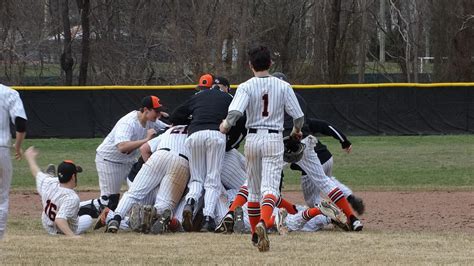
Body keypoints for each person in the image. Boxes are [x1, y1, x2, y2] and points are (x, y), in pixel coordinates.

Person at [219, 45, 304, 252]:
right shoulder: (283, 86)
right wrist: (295, 131)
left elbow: (235, 112)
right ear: (271, 63)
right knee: (270, 190)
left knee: (254, 192)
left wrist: (225, 126)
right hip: (274, 138)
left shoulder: (246, 86)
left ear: (250, 65)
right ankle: (263, 224)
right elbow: (299, 117)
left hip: (253, 139)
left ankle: (255, 237)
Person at [80, 96, 169, 217]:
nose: (158, 114)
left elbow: (170, 129)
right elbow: (122, 147)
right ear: (146, 110)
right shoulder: (128, 122)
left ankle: (133, 216)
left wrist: (169, 117)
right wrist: (146, 139)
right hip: (109, 161)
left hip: (128, 162)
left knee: (140, 190)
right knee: (108, 203)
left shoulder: (151, 120)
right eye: (156, 111)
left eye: (160, 111)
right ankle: (72, 209)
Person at [170, 74, 233, 232]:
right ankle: (207, 218)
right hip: (215, 135)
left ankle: (190, 202)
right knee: (212, 179)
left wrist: (194, 117)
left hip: (195, 135)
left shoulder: (199, 96)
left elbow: (176, 115)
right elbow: (238, 119)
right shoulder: (227, 97)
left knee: (197, 178)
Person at [105, 125, 190, 234]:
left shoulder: (170, 131)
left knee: (133, 194)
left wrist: (153, 172)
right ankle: (153, 215)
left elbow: (144, 148)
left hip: (158, 155)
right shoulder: (195, 131)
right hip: (181, 162)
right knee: (165, 204)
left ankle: (115, 219)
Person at [23, 147, 93, 237]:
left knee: (45, 179)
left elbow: (36, 173)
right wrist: (73, 237)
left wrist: (30, 158)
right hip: (63, 230)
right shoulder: (72, 197)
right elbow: (59, 219)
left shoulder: (48, 182)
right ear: (73, 177)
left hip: (47, 226)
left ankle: (49, 175)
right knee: (88, 219)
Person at [0, 84, 27, 240]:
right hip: (2, 148)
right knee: (2, 198)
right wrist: (17, 147)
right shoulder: (8, 93)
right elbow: (21, 123)